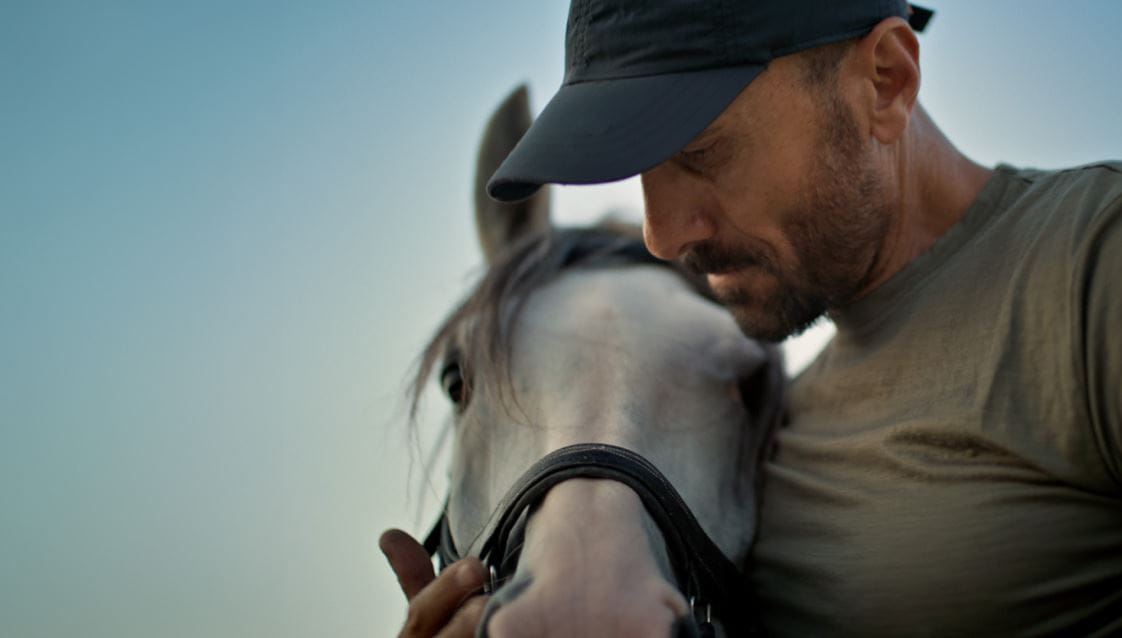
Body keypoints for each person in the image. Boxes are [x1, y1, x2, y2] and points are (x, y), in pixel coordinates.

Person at [382, 0, 1122, 635]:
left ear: (885, 83)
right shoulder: (765, 412)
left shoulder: (1091, 262)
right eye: (644, 172)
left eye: (702, 150)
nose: (662, 235)